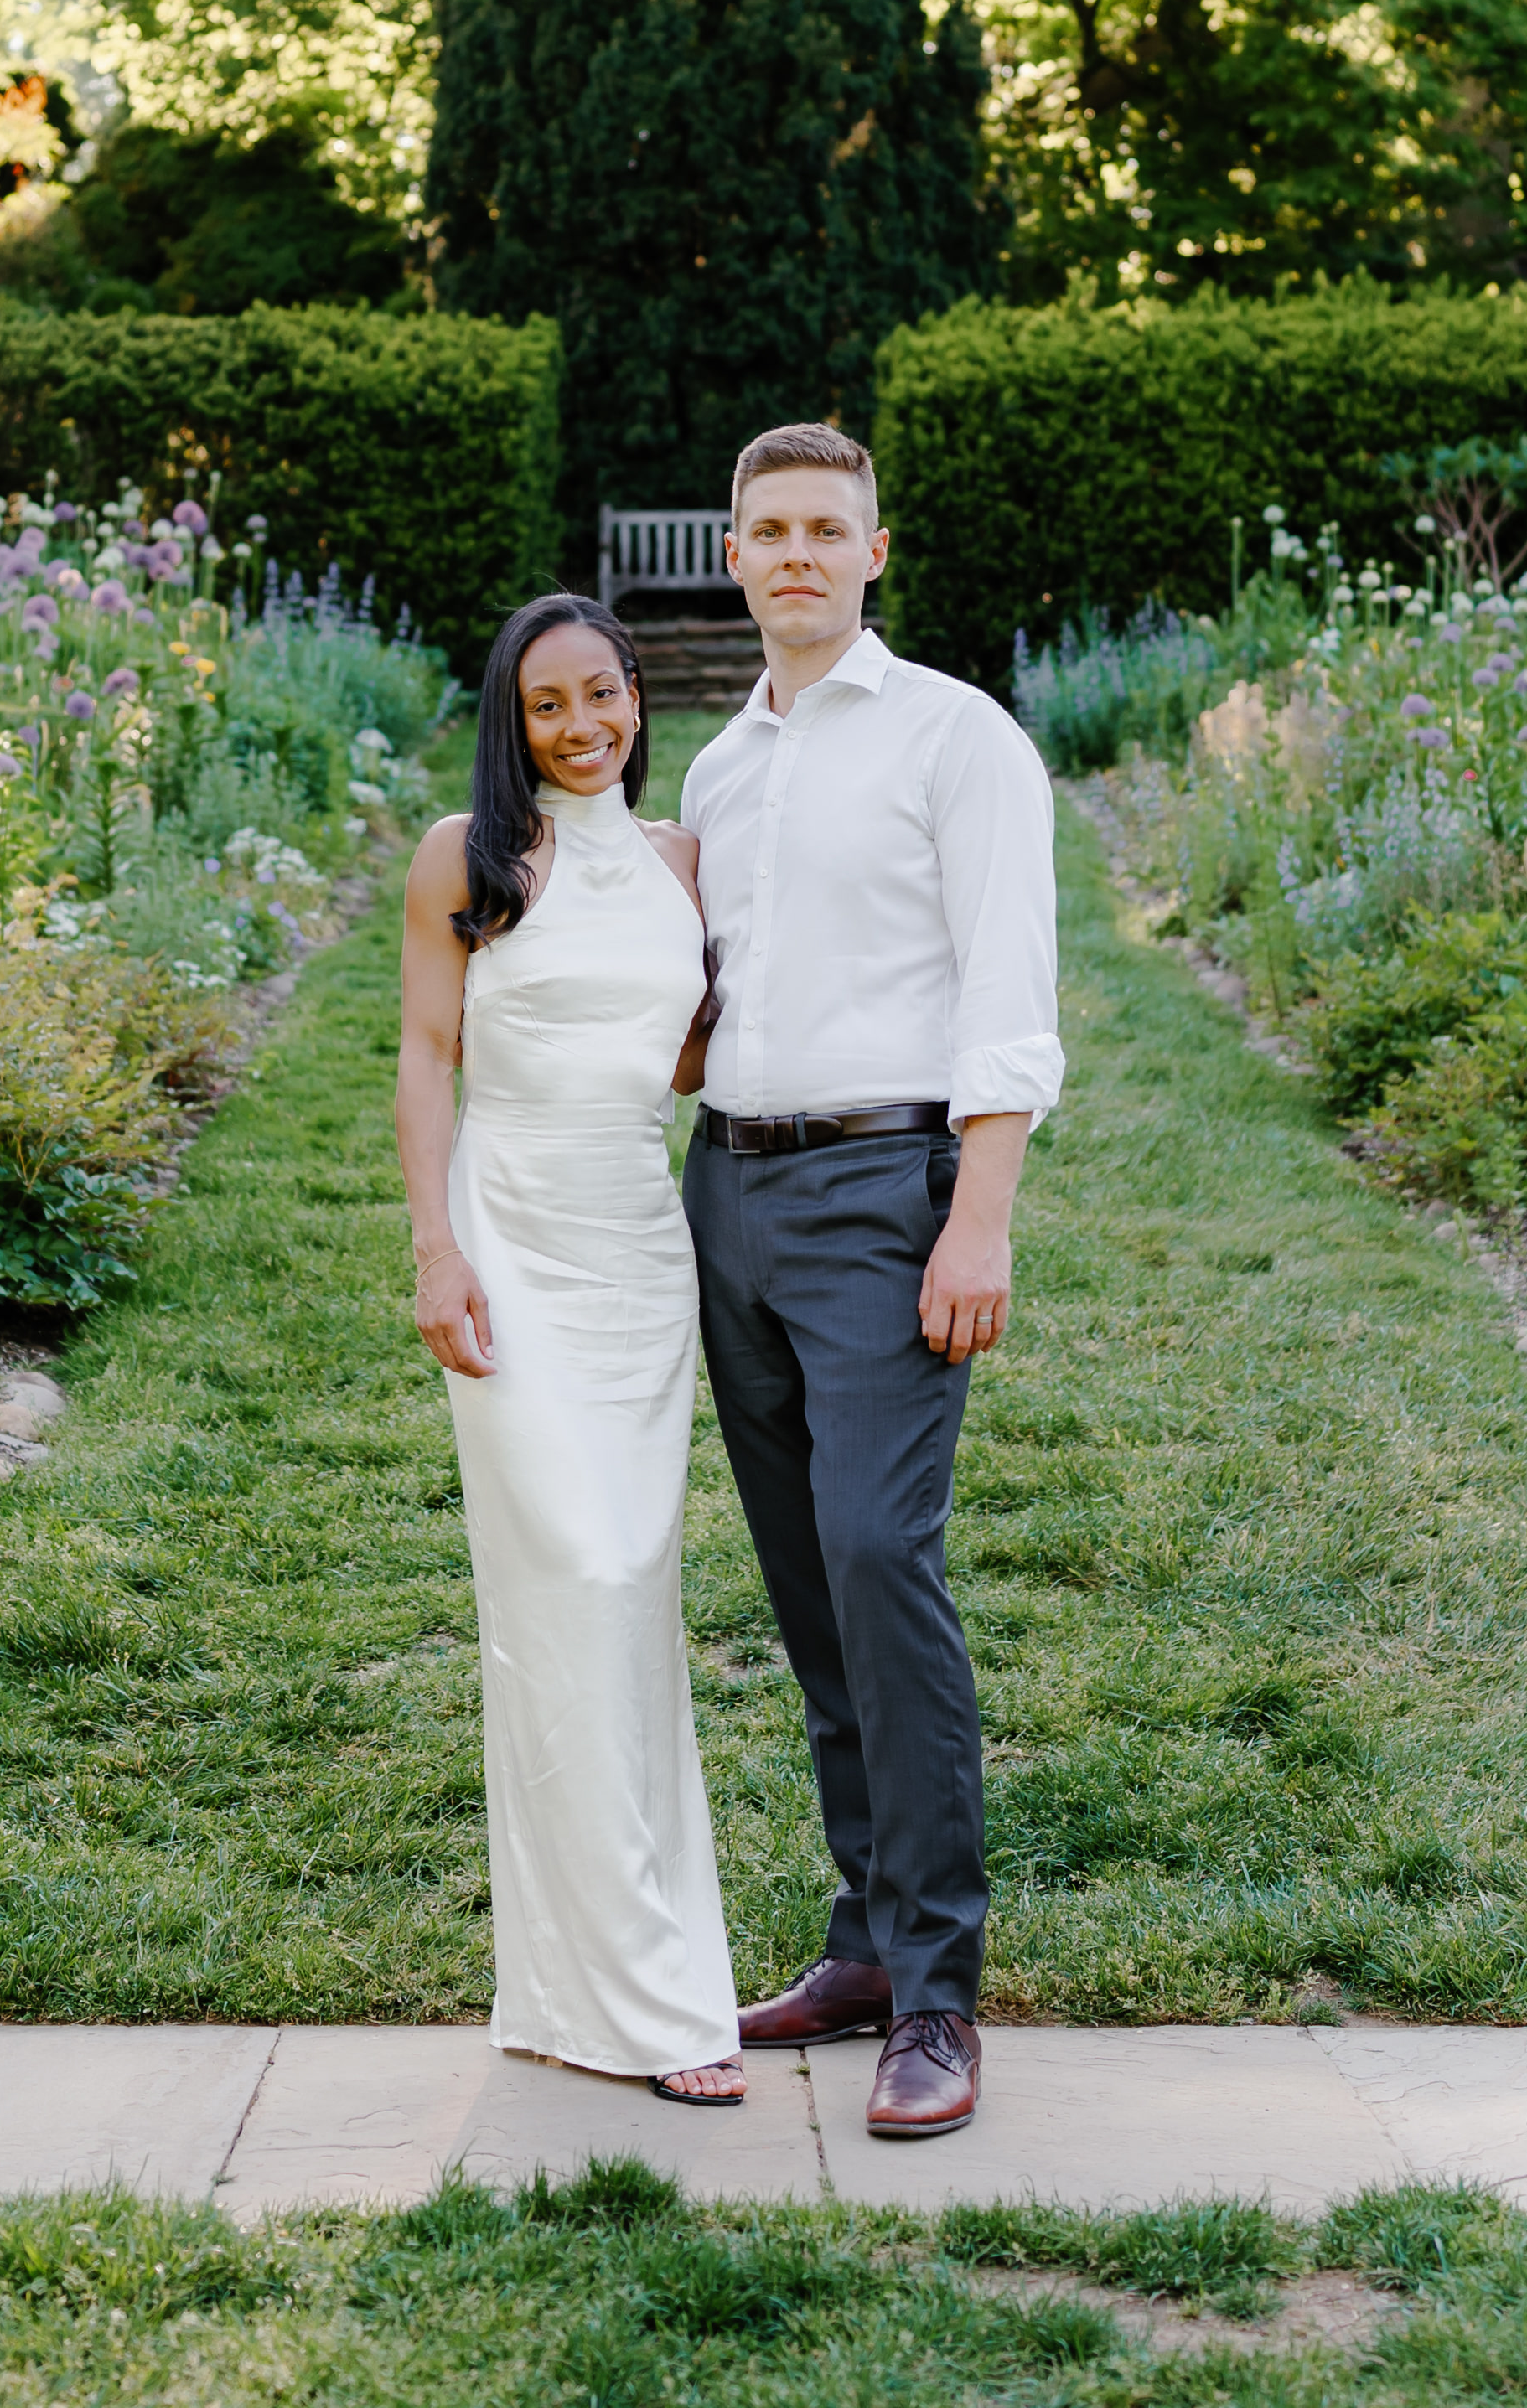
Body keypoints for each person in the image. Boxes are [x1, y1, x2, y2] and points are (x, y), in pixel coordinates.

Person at [680, 420, 1058, 2140]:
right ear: (736, 554)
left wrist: (977, 1215)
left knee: (882, 1557)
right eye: (771, 530)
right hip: (732, 1193)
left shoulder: (953, 737)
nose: (800, 553)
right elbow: (706, 1009)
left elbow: (1008, 993)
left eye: (829, 527)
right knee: (808, 1581)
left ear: (875, 550)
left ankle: (937, 1995)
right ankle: (859, 1937)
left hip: (885, 1195)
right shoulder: (718, 770)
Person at [394, 592, 746, 2103]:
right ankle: (652, 2011)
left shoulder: (681, 862)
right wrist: (435, 1248)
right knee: (573, 1584)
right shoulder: (465, 861)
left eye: (603, 695)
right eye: (550, 706)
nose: (585, 726)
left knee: (626, 1600)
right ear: (511, 720)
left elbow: (685, 1049)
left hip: (635, 1251)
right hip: (515, 1239)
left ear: (634, 698)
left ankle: (570, 1990)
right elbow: (424, 1054)